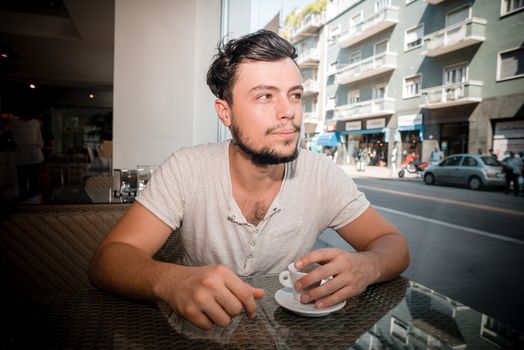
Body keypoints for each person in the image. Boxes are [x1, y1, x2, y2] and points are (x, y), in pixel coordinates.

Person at [88, 30, 409, 330]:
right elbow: (108, 260)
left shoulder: (323, 176)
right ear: (225, 113)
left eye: (295, 95)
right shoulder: (187, 168)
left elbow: (392, 244)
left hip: (288, 331)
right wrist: (170, 280)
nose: (289, 112)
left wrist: (366, 267)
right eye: (265, 96)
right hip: (199, 333)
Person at [8, 112, 45, 200]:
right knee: (33, 181)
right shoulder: (35, 122)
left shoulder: (13, 122)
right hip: (34, 153)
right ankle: (33, 203)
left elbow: (4, 131)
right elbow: (39, 140)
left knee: (22, 181)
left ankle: (24, 202)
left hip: (21, 153)